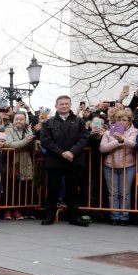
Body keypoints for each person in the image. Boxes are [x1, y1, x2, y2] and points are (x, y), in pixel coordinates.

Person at [40, 95, 91, 226]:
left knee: (73, 190)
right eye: (61, 104)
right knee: (53, 189)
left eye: (67, 104)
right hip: (55, 161)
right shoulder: (48, 123)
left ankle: (74, 217)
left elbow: (84, 138)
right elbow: (46, 141)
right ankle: (49, 216)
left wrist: (72, 152)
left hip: (73, 161)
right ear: (56, 106)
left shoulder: (79, 121)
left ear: (70, 105)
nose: (64, 106)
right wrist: (61, 153)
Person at [99, 110, 138, 225]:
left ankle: (124, 217)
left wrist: (122, 140)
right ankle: (114, 216)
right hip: (110, 165)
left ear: (129, 121)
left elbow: (133, 144)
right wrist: (118, 142)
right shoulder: (107, 132)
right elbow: (102, 148)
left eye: (124, 120)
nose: (121, 122)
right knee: (113, 193)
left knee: (125, 192)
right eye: (118, 120)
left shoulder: (134, 131)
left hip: (128, 165)